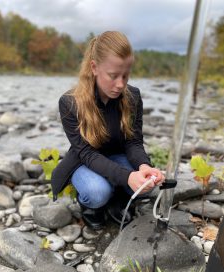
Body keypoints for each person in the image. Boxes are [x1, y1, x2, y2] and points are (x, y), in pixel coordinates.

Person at [51, 31, 165, 230]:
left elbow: (134, 142)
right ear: (94, 67)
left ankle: (118, 201)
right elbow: (86, 153)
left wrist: (144, 166)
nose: (120, 84)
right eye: (113, 76)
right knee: (97, 193)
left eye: (126, 75)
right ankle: (90, 207)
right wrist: (128, 177)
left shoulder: (133, 97)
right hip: (85, 161)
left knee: (146, 185)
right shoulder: (69, 103)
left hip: (118, 156)